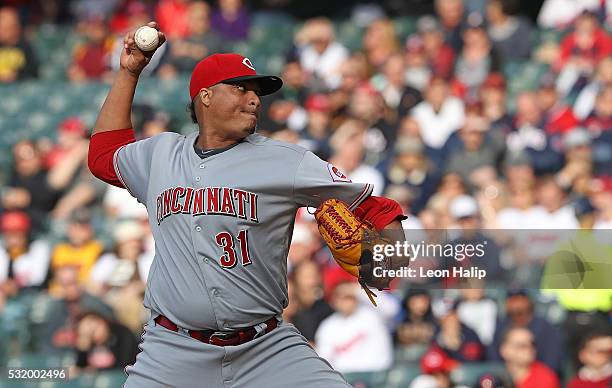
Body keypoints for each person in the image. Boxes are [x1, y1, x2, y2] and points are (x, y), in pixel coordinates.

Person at [87, 22, 405, 388]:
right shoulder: (159, 154)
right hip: (173, 352)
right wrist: (130, 71)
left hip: (266, 348)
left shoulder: (288, 161)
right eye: (240, 88)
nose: (254, 99)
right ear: (204, 97)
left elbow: (379, 208)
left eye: (257, 91)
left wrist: (384, 260)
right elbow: (103, 156)